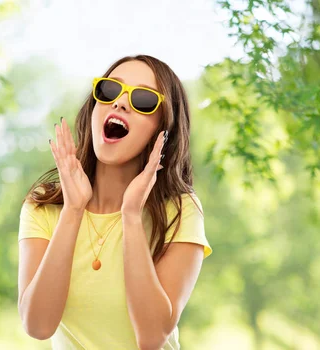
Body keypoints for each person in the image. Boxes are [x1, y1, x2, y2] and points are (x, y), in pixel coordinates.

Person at [17, 54, 213, 350]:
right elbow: (38, 325)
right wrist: (72, 209)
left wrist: (132, 215)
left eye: (143, 100)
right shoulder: (44, 207)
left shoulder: (181, 212)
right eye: (109, 90)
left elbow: (151, 337)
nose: (120, 103)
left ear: (164, 130)